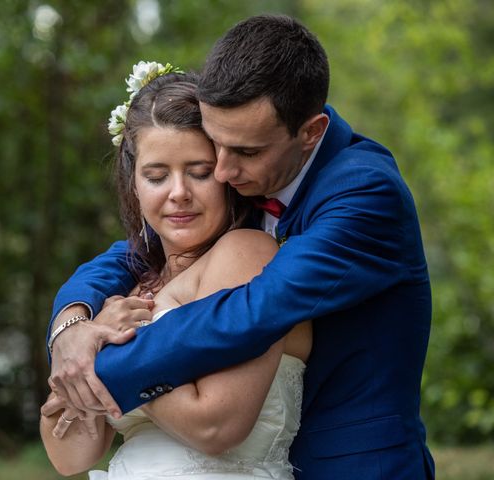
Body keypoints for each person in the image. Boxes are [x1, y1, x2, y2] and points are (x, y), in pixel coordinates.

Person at [44, 15, 435, 479]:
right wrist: (71, 328)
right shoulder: (245, 187)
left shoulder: (362, 192)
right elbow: (121, 257)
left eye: (238, 154)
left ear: (310, 132)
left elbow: (255, 309)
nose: (225, 172)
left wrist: (100, 357)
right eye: (217, 148)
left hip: (359, 465)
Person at [41, 68, 312, 479]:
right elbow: (71, 456)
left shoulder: (248, 255)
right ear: (133, 183)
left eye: (199, 172)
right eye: (156, 175)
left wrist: (101, 359)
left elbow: (216, 425)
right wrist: (78, 353)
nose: (178, 192)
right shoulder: (130, 285)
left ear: (226, 174)